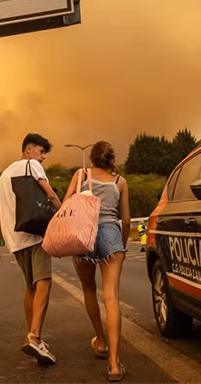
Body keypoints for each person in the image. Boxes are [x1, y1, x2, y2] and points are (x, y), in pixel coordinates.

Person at [0, 133, 62, 365]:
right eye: (41, 152)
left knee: (30, 285)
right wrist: (64, 216)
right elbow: (49, 193)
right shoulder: (31, 165)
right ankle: (35, 335)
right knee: (45, 281)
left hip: (15, 239)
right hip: (35, 233)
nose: (42, 159)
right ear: (29, 149)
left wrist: (8, 239)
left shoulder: (4, 175)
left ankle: (33, 336)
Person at [63, 141, 130, 381]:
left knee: (89, 289)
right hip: (112, 234)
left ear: (91, 159)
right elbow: (127, 219)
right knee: (111, 297)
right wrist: (121, 244)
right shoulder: (119, 181)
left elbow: (66, 205)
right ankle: (114, 364)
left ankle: (100, 341)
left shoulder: (81, 175)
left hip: (85, 234)